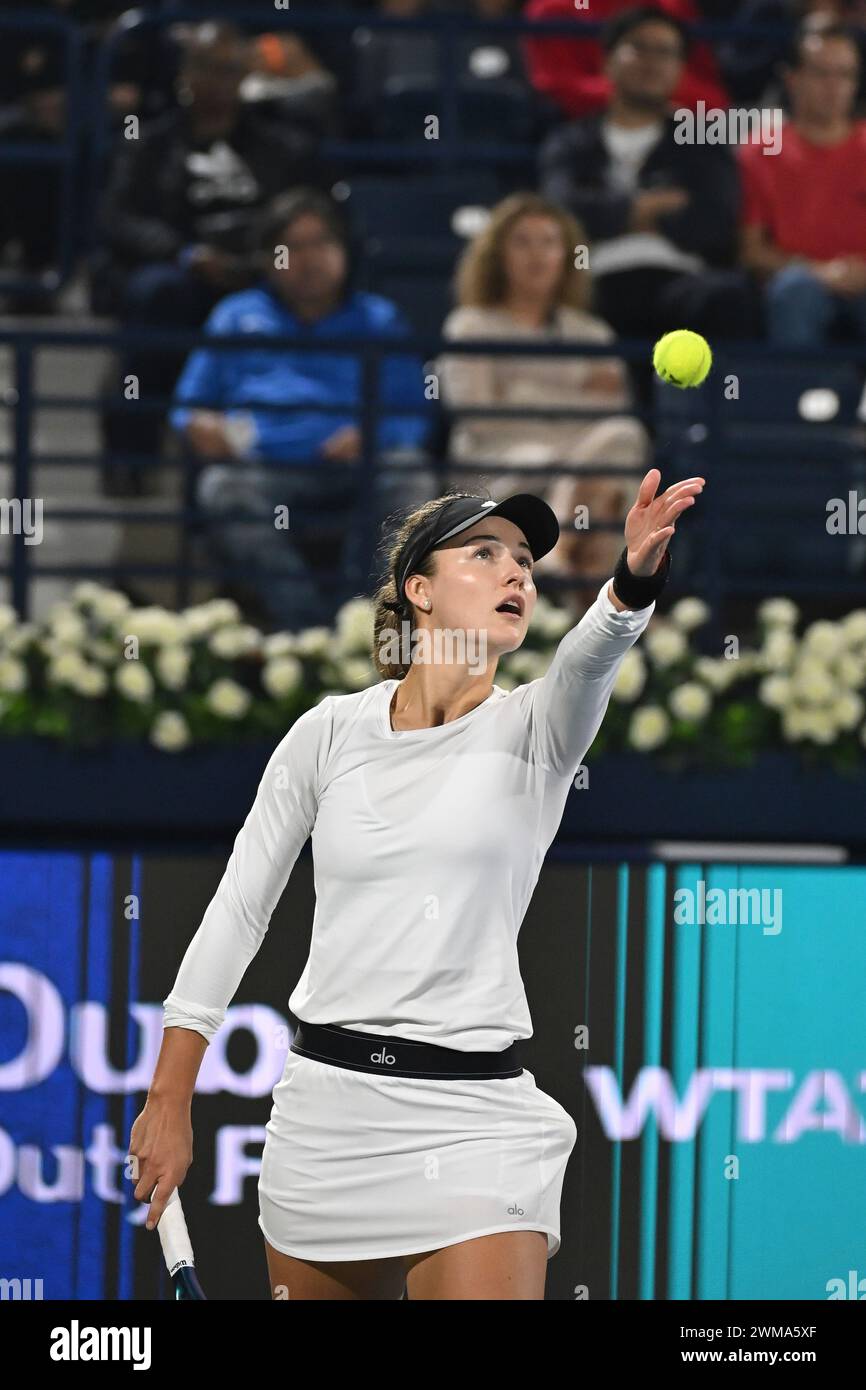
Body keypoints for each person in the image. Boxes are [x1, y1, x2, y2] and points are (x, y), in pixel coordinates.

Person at [130, 470, 704, 1301]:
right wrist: (170, 1097)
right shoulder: (326, 733)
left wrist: (633, 577)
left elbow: (596, 650)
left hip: (478, 1126)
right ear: (419, 590)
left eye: (526, 564)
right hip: (326, 1121)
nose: (518, 574)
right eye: (486, 554)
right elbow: (239, 911)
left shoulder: (537, 729)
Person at [170, 189, 434, 632]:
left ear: (344, 252)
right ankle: (308, 627)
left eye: (322, 244)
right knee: (220, 487)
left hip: (357, 462)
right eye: (292, 247)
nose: (308, 259)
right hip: (263, 464)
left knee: (411, 477)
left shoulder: (378, 318)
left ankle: (362, 617)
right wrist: (200, 426)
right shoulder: (235, 316)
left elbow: (414, 411)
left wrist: (373, 436)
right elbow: (189, 406)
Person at [94, 21, 321, 489]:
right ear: (184, 74)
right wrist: (184, 252)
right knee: (157, 295)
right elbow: (118, 217)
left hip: (259, 275)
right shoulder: (149, 143)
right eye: (206, 69)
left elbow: (302, 213)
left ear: (243, 76)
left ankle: (284, 453)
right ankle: (133, 454)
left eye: (228, 70)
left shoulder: (279, 145)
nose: (218, 81)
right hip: (180, 275)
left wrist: (265, 259)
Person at [439, 192, 650, 617]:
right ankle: (591, 622)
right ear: (498, 254)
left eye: (549, 242)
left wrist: (519, 391)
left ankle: (560, 561)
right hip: (497, 467)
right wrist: (574, 389)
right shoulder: (470, 325)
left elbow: (612, 417)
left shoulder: (590, 333)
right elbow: (479, 416)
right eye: (522, 242)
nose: (537, 255)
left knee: (624, 438)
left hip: (579, 469)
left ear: (567, 255)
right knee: (598, 485)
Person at [538, 7, 755, 345]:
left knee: (728, 297)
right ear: (608, 62)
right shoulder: (571, 142)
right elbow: (562, 212)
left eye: (665, 52)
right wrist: (647, 209)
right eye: (639, 48)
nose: (651, 62)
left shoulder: (702, 142)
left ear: (681, 69)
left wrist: (611, 216)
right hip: (593, 282)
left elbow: (716, 223)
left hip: (680, 282)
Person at [739, 21, 866, 346]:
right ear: (792, 78)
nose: (834, 86)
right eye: (821, 74)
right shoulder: (759, 152)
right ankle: (800, 396)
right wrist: (820, 272)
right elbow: (751, 251)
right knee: (795, 289)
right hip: (799, 282)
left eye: (845, 74)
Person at [523, 0, 730, 120]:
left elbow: (712, 99)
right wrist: (645, 96)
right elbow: (561, 88)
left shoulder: (671, 6)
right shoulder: (554, 9)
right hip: (585, 133)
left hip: (675, 132)